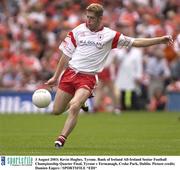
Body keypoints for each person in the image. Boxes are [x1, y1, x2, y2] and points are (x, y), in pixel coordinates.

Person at [45, 3, 173, 149]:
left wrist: (159, 40)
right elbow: (65, 56)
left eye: (92, 18)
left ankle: (61, 139)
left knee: (74, 106)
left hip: (87, 78)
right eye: (87, 17)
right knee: (56, 111)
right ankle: (82, 102)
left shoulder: (110, 35)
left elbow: (135, 42)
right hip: (70, 73)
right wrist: (56, 77)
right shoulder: (78, 31)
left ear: (100, 19)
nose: (88, 21)